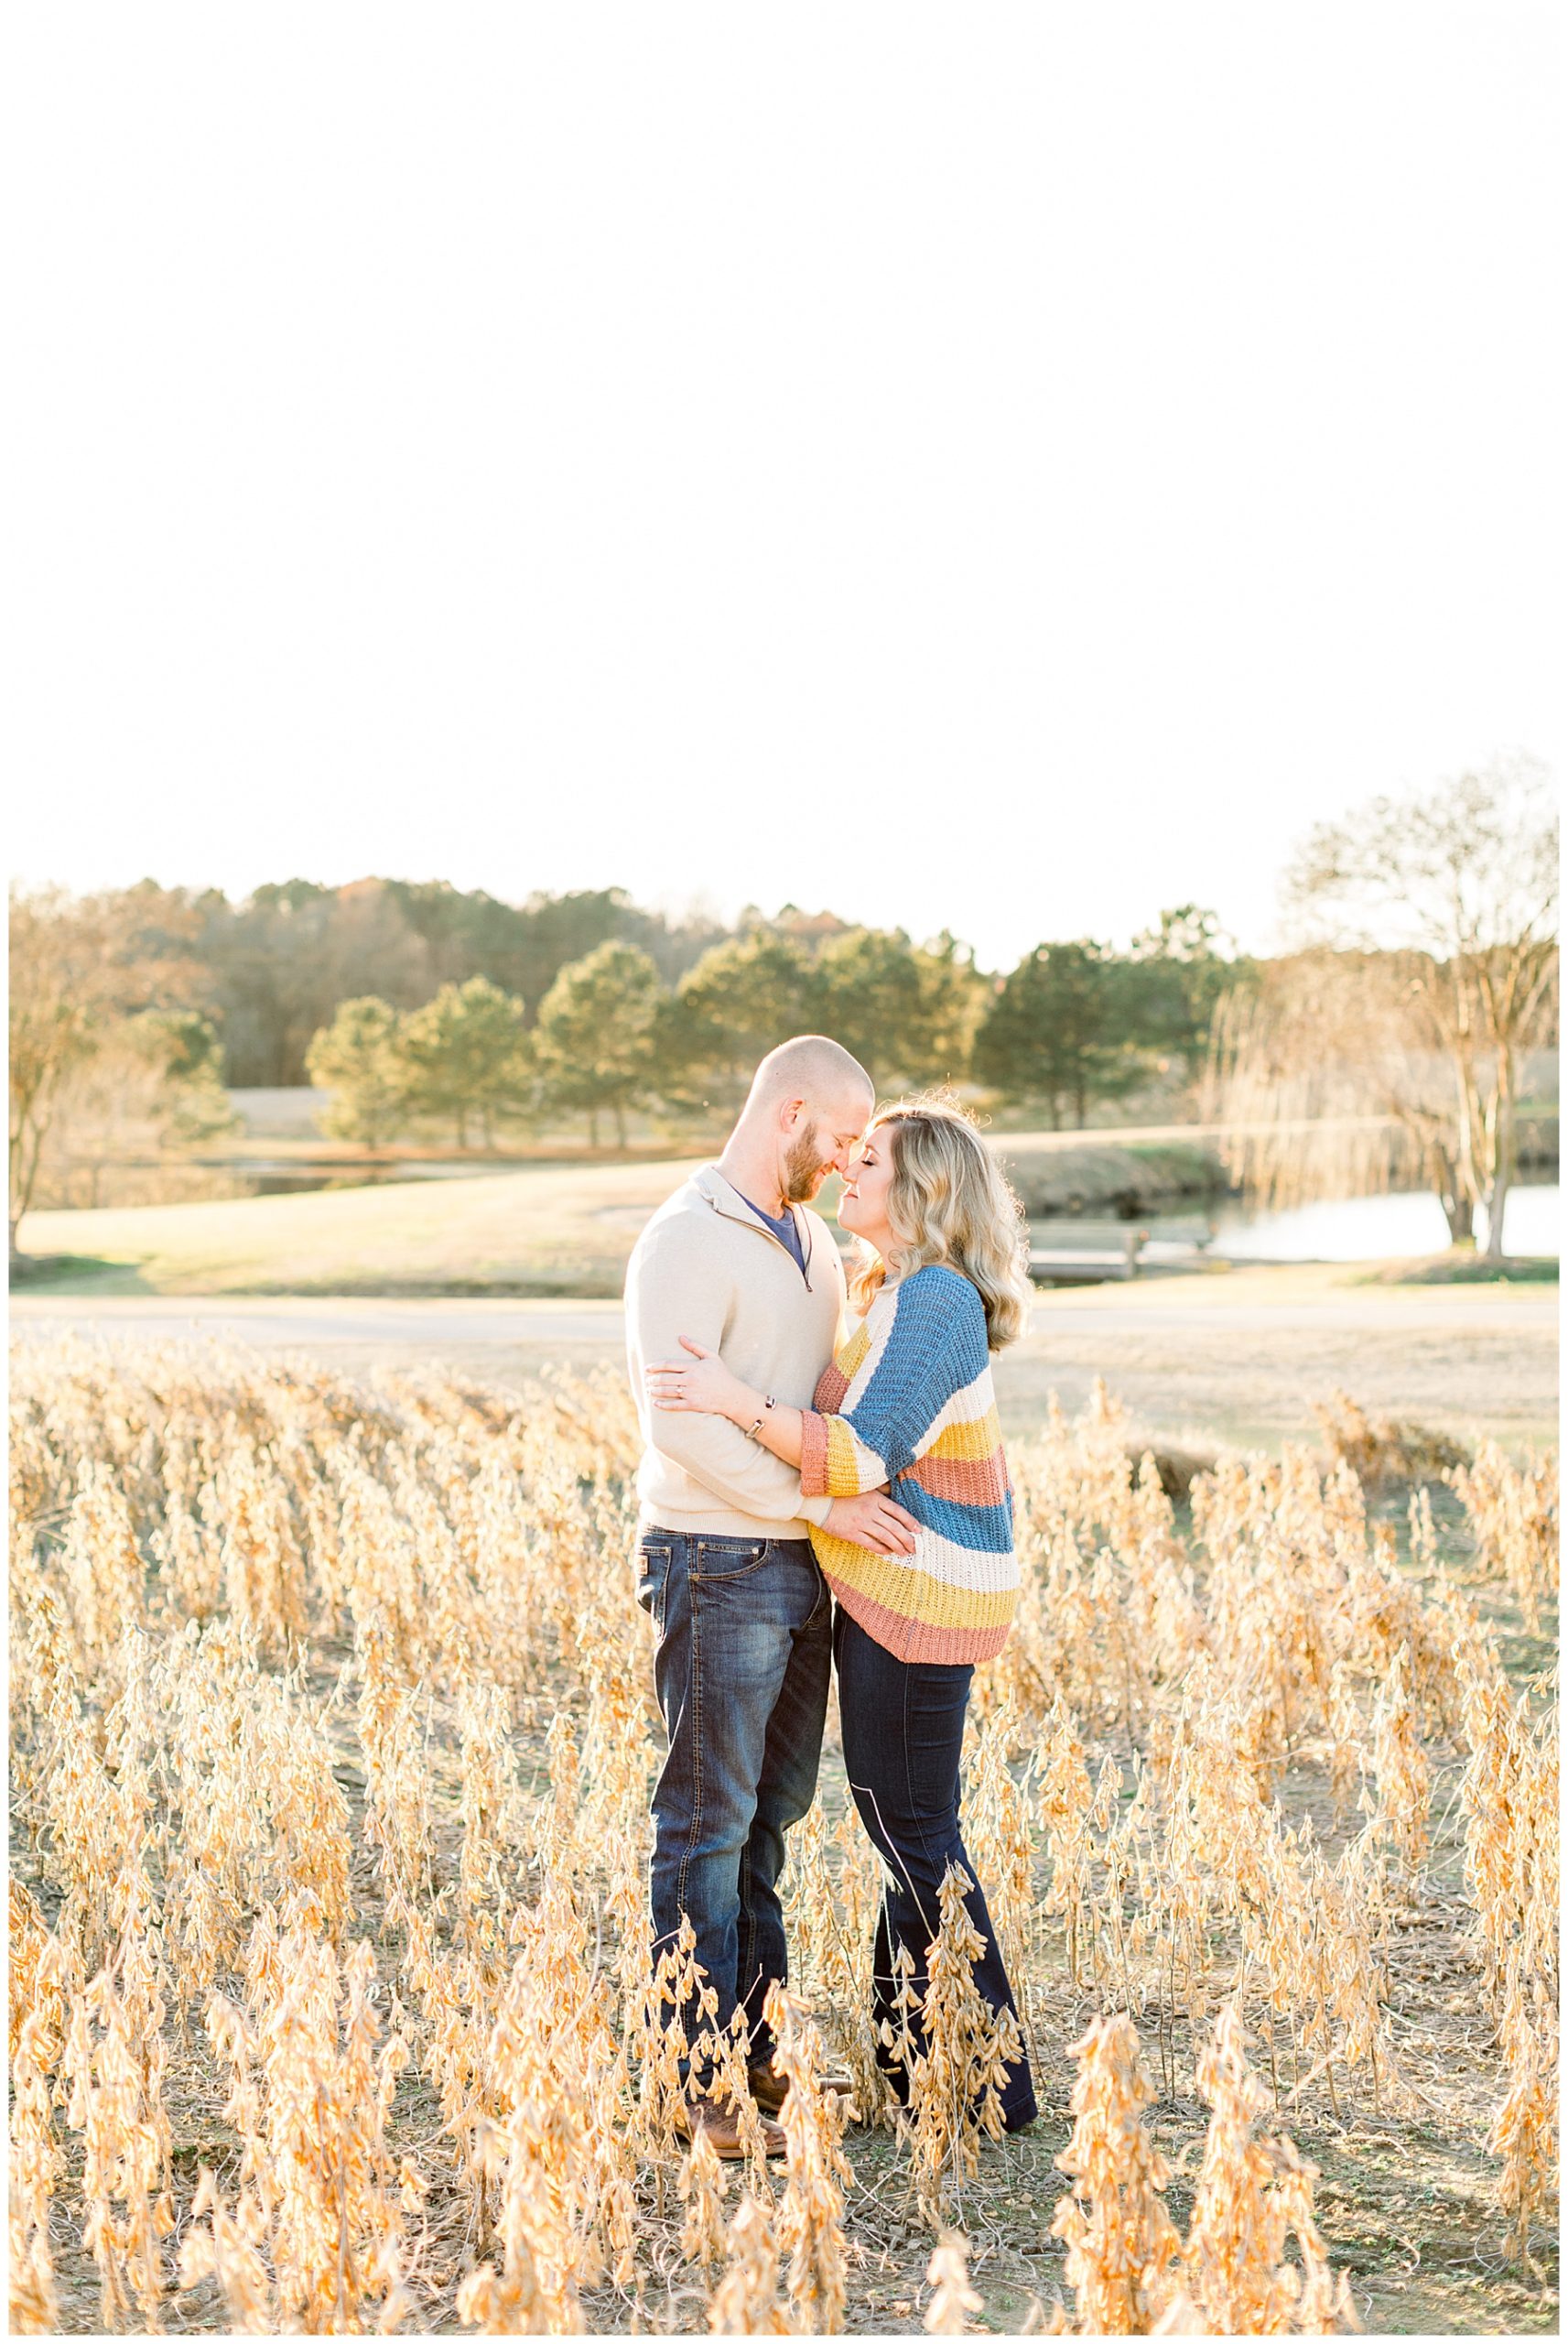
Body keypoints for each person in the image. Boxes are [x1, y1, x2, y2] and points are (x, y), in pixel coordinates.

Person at [647, 1094, 1038, 2135]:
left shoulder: (938, 1302)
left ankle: (984, 2085)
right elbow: (838, 1429)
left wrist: (733, 1397)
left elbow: (859, 1451)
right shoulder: (885, 1289)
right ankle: (926, 2074)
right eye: (852, 1151)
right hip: (894, 1591)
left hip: (924, 1597)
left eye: (874, 1159)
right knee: (899, 1823)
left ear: (925, 1191)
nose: (848, 1168)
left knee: (911, 1827)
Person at [623, 1036, 922, 2158]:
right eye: (846, 1136)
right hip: (714, 1560)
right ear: (790, 1112)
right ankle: (690, 2077)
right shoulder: (685, 1242)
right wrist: (820, 1508)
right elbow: (680, 1427)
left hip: (800, 1567)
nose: (853, 1160)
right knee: (704, 1822)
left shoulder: (809, 1242)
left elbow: (814, 1402)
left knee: (768, 1820)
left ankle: (760, 2048)